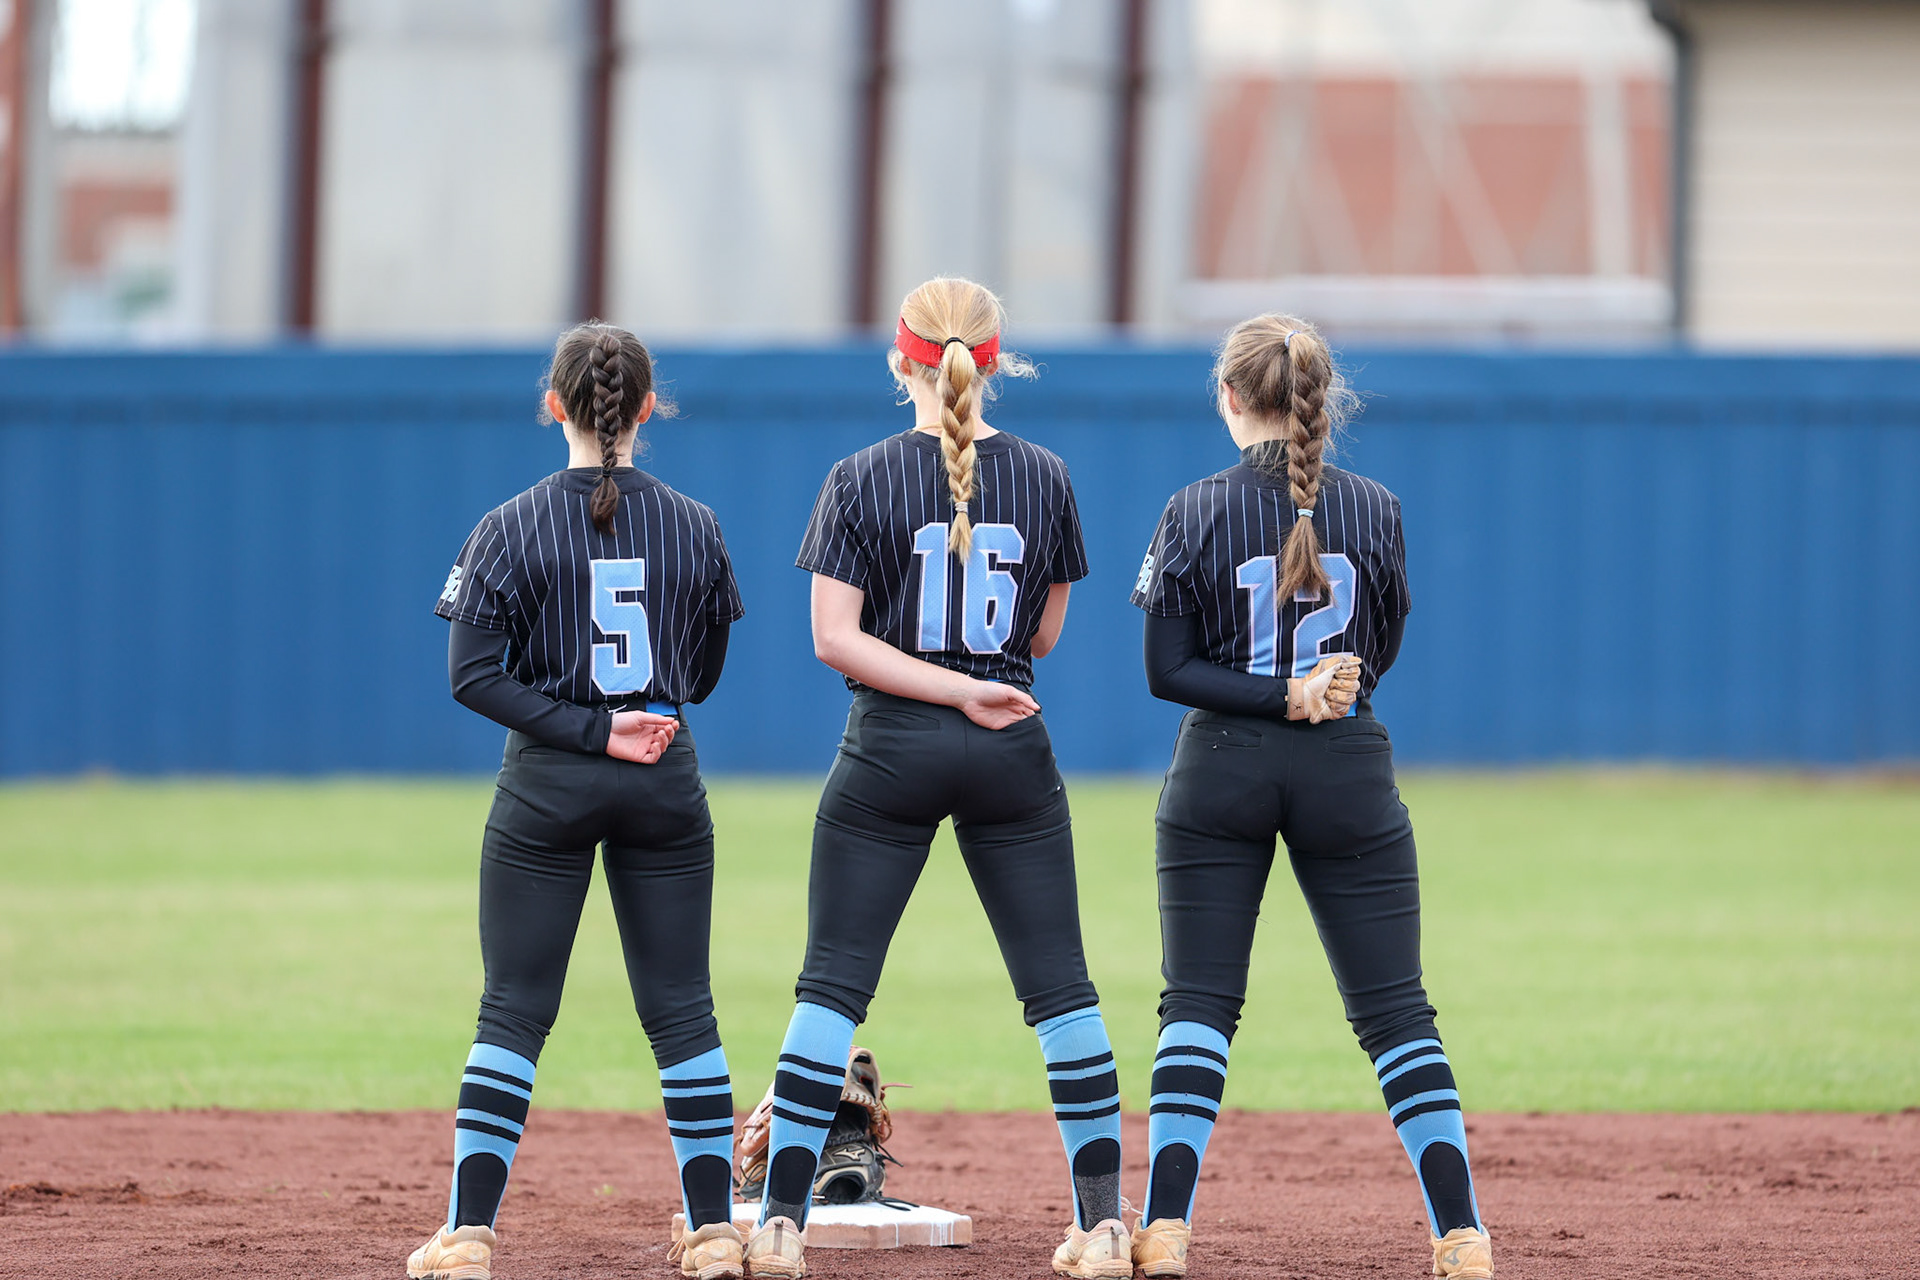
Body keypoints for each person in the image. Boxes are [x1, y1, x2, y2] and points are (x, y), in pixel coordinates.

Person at [740, 277, 1130, 1280]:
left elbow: (836, 639)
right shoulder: (1046, 475)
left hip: (891, 750)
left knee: (831, 984)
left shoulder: (861, 474)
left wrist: (944, 690)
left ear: (898, 360)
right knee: (1062, 991)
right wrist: (976, 687)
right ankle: (1103, 1225)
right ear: (994, 362)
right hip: (1011, 742)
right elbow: (1040, 633)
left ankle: (780, 1223)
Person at [1126, 315, 1493, 1280]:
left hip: (1222, 766)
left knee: (1197, 1004)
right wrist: (1315, 692)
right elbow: (1383, 653)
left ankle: (1164, 1232)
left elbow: (1167, 670)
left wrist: (1270, 695)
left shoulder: (1194, 507)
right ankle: (1462, 1237)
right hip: (1345, 761)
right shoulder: (1376, 507)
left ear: (1230, 398)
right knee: (1398, 1014)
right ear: (1319, 401)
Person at [408, 323, 749, 1280]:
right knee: (683, 1009)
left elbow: (471, 678)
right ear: (648, 408)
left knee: (513, 1009)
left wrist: (590, 730)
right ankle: (717, 1231)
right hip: (665, 779)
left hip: (548, 783)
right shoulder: (697, 523)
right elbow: (705, 676)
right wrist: (629, 725)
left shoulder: (509, 523)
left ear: (554, 404)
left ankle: (469, 1235)